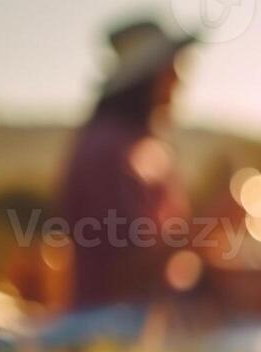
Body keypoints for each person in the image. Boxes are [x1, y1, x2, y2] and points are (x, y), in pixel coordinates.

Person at [58, 19, 194, 313]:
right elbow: (126, 271)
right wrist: (211, 223)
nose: (180, 82)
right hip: (109, 320)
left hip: (154, 314)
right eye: (171, 71)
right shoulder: (107, 151)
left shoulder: (148, 149)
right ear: (147, 80)